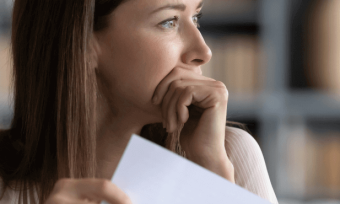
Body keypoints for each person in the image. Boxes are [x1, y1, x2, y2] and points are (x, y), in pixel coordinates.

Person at [0, 0, 279, 203]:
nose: (203, 51)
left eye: (196, 18)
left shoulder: (231, 155)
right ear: (82, 42)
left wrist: (214, 174)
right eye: (169, 21)